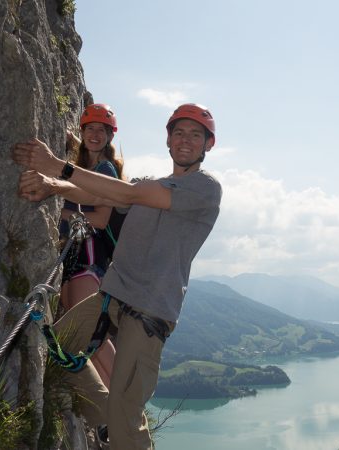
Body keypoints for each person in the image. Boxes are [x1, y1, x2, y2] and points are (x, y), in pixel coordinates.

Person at [12, 103, 222, 450]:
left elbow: (126, 194)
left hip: (149, 311)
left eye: (195, 135)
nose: (186, 140)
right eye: (179, 133)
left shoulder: (205, 189)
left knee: (128, 427)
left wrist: (58, 167)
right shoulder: (152, 184)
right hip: (111, 295)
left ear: (208, 145)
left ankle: (121, 424)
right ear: (168, 140)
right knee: (58, 346)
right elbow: (99, 194)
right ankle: (110, 417)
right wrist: (54, 184)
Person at [57, 103, 123, 388]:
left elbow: (100, 218)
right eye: (90, 129)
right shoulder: (84, 166)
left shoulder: (106, 169)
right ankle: (108, 404)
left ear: (110, 136)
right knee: (77, 336)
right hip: (72, 256)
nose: (95, 135)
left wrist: (58, 210)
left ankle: (125, 402)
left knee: (92, 335)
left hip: (89, 258)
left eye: (102, 130)